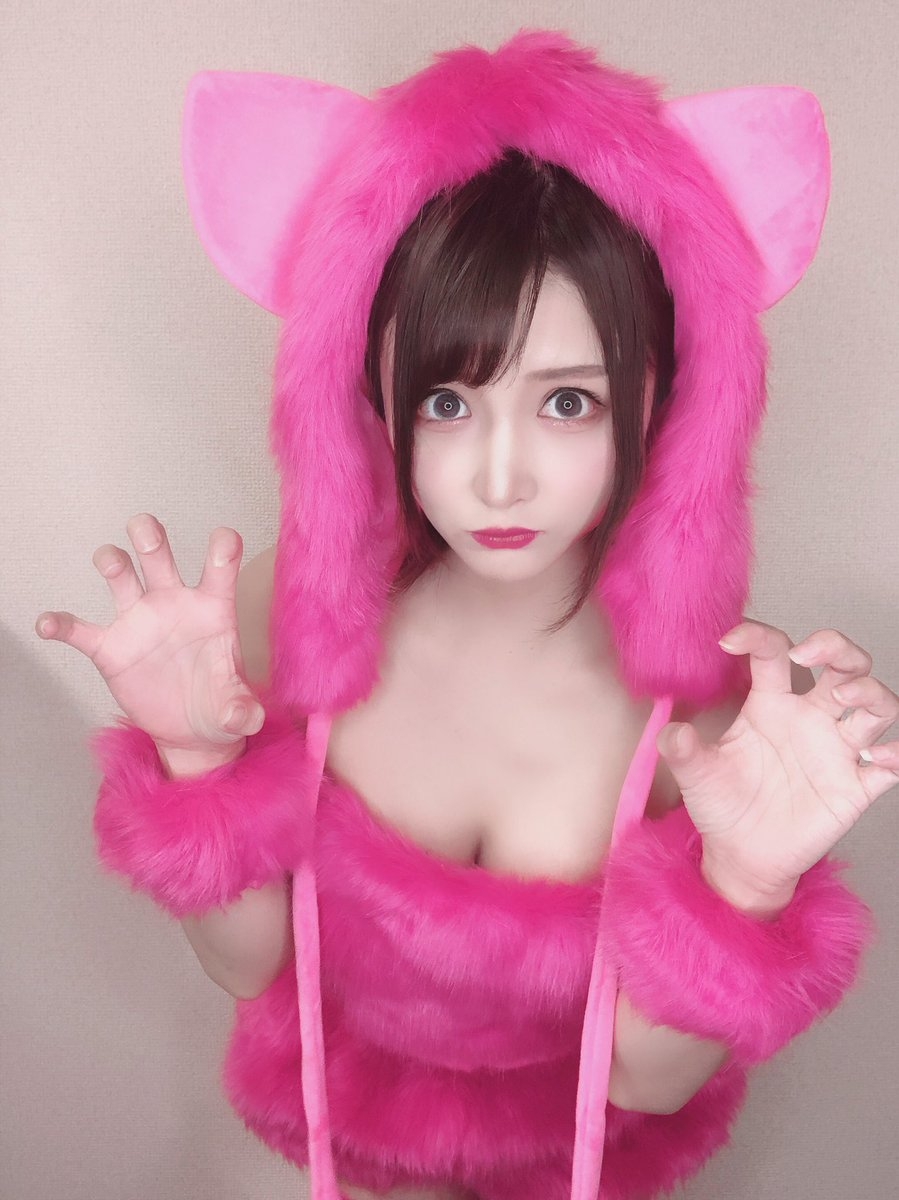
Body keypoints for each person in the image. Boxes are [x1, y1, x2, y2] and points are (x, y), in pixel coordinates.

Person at [35, 30, 897, 1200]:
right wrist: (194, 763)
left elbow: (644, 1084)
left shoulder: (708, 709)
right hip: (342, 1148)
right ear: (366, 396)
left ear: (665, 403)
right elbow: (249, 970)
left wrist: (745, 884)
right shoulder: (285, 611)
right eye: (446, 400)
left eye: (567, 402)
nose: (499, 479)